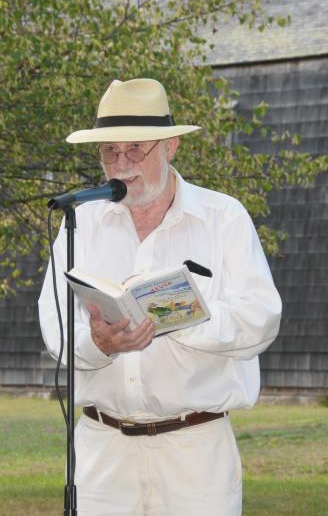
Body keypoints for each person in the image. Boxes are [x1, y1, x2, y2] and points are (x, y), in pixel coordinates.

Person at [38, 78, 282, 516]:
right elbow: (56, 328)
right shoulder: (81, 223)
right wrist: (98, 345)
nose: (121, 164)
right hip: (101, 452)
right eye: (110, 151)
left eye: (136, 150)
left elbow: (261, 320)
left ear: (170, 147)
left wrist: (181, 316)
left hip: (196, 454)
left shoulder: (222, 217)